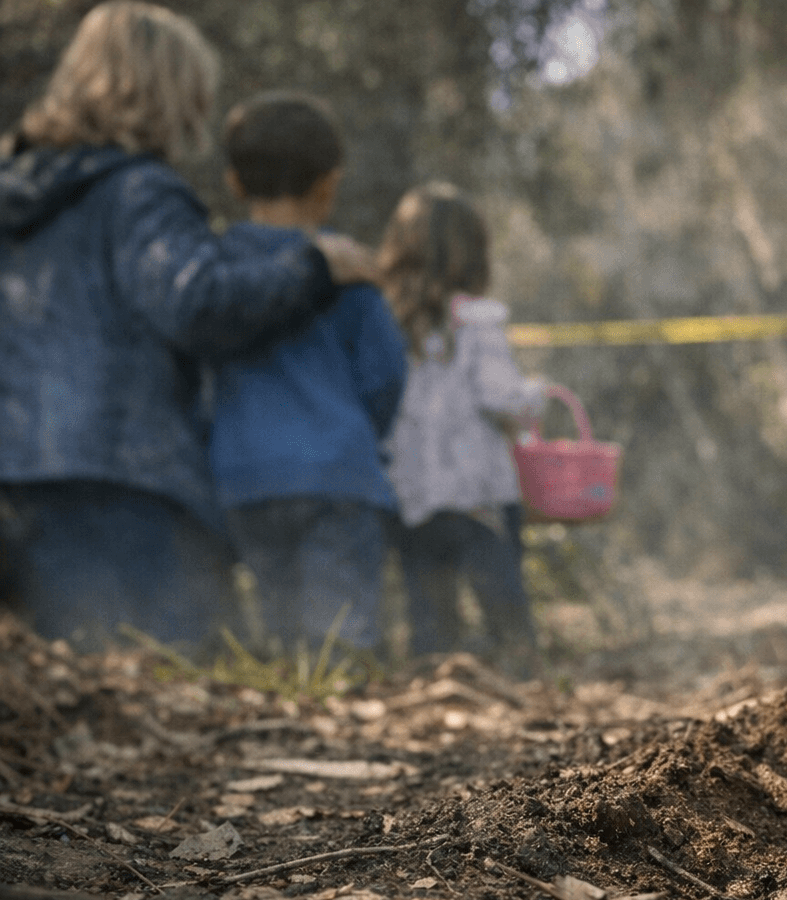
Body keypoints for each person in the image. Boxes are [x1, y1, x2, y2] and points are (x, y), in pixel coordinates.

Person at [0, 1, 375, 652]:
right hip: (127, 485)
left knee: (71, 685)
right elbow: (197, 305)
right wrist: (316, 267)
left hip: (20, 475)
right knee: (175, 681)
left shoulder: (18, 194)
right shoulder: (138, 190)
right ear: (168, 92)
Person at [206, 92, 408, 656]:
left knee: (282, 637)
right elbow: (386, 377)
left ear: (234, 182)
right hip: (338, 476)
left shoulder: (218, 271)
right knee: (338, 641)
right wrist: (360, 434)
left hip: (245, 477)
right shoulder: (348, 269)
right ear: (328, 184)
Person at [380, 182, 548, 668]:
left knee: (430, 615)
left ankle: (436, 684)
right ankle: (523, 681)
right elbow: (501, 397)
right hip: (479, 497)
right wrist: (535, 394)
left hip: (413, 496)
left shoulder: (388, 321)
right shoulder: (477, 320)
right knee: (505, 610)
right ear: (473, 251)